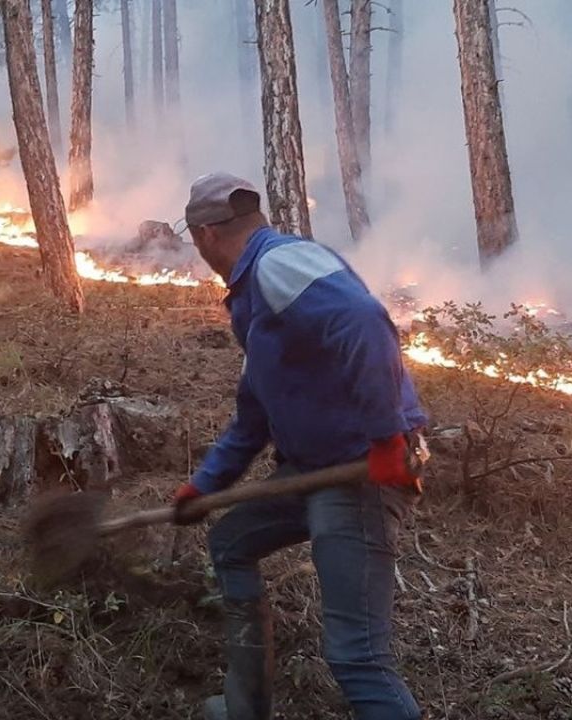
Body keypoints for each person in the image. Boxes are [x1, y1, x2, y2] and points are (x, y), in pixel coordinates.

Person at [173, 172, 428, 720]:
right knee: (231, 543)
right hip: (309, 470)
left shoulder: (279, 264)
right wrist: (206, 484)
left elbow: (366, 322)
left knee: (357, 655)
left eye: (196, 242)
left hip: (358, 475)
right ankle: (246, 708)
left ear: (206, 235)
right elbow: (254, 412)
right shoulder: (256, 297)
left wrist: (386, 438)